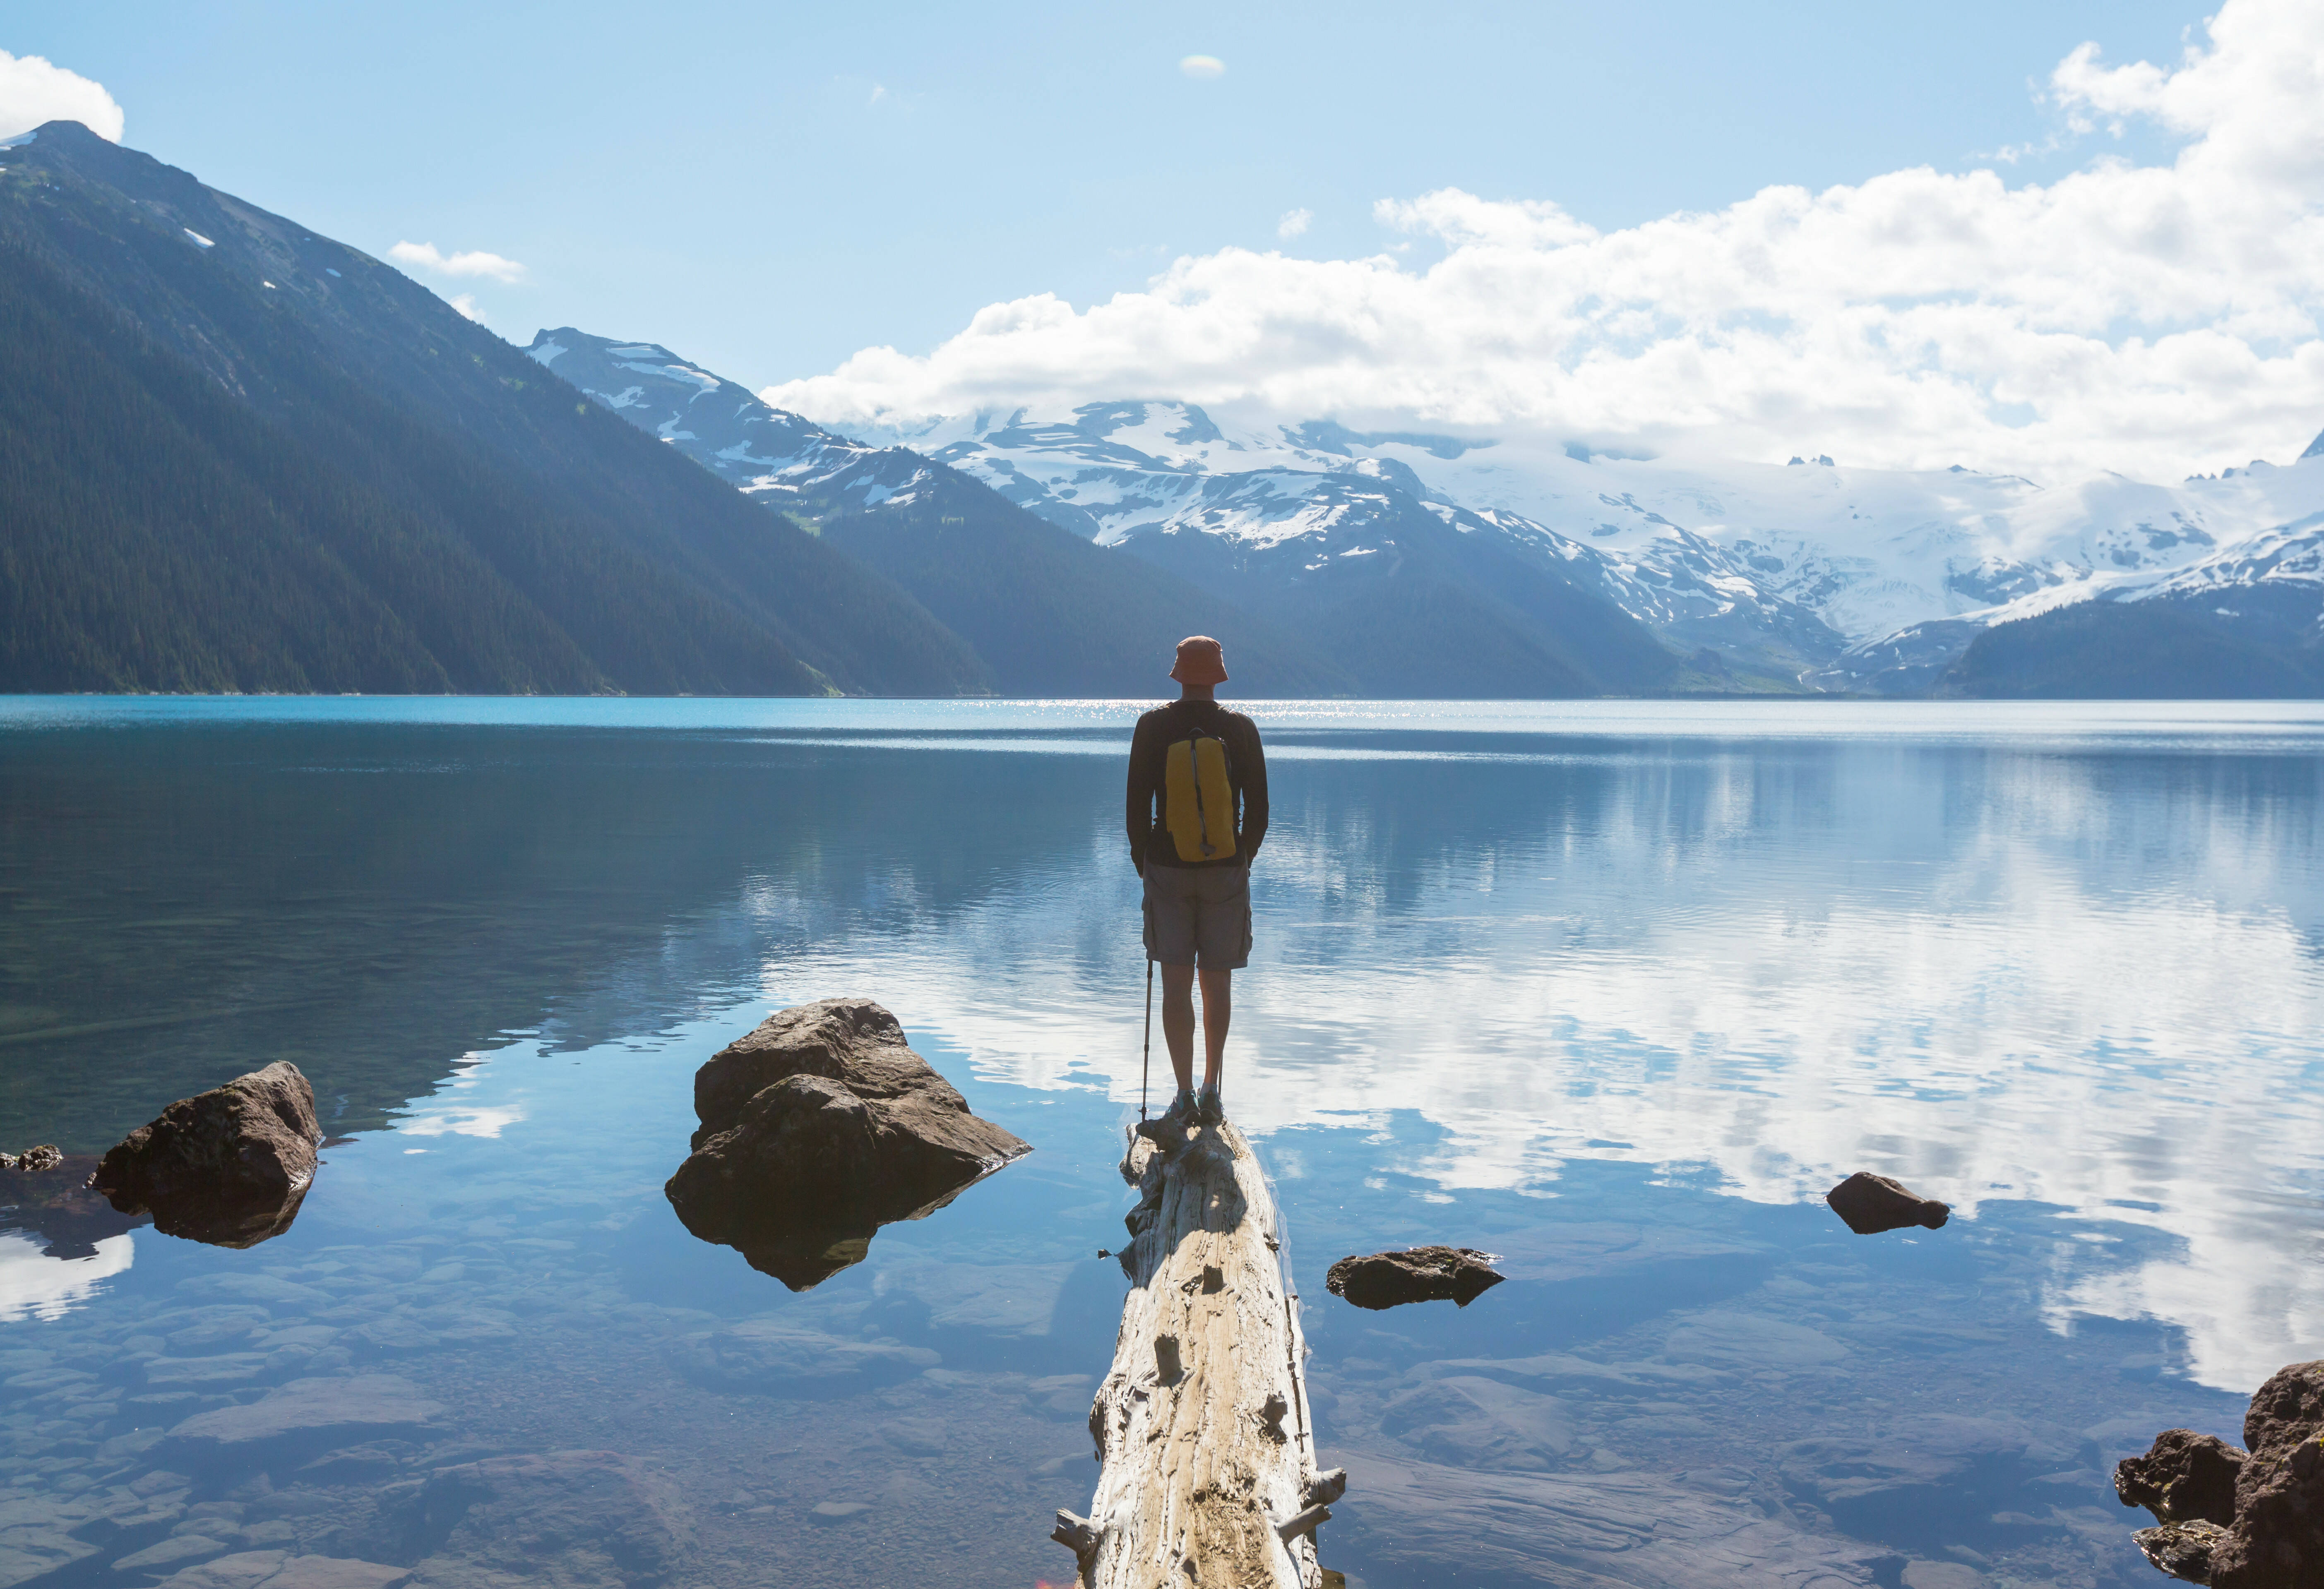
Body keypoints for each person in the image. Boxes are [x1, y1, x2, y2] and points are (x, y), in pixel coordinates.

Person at [1125, 635, 1268, 1128]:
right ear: (1219, 677)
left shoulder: (1152, 727)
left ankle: (1182, 1093)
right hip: (1225, 871)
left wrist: (1147, 863)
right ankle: (1212, 1091)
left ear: (1179, 675)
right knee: (1217, 982)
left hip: (1167, 870)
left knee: (1174, 984)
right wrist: (1238, 859)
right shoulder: (1242, 730)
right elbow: (1260, 813)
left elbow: (1135, 808)